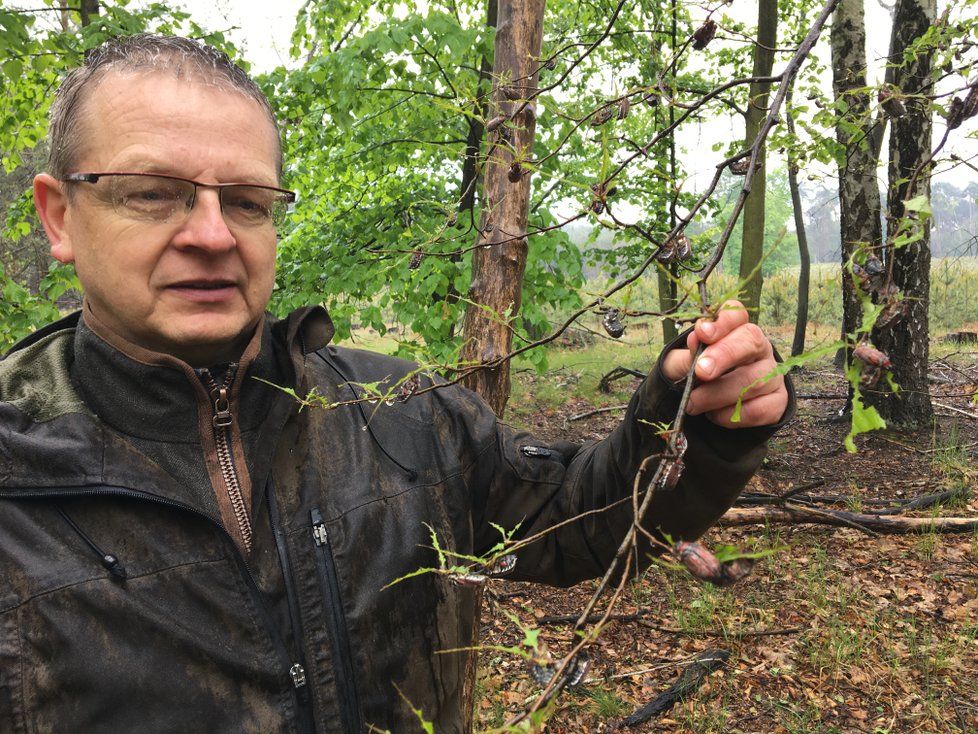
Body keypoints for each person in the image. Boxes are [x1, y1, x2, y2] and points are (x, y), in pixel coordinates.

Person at [0, 34, 791, 734]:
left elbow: (580, 520)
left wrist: (696, 421)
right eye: (151, 192)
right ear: (60, 216)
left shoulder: (398, 417)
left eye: (246, 202)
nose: (211, 234)